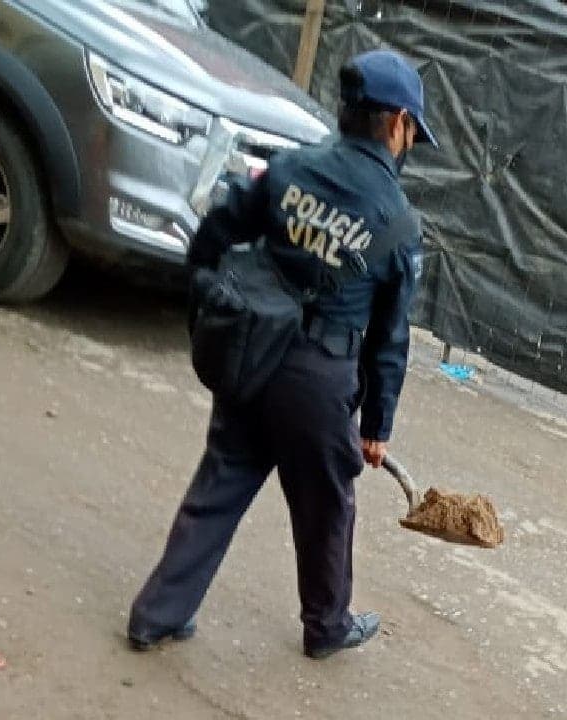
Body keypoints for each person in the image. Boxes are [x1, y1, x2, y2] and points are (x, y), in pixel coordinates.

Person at [127, 49, 437, 659]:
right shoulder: (399, 223)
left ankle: (156, 614)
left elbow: (215, 233)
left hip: (251, 353)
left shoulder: (289, 168)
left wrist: (207, 310)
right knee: (326, 510)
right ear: (399, 123)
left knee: (219, 484)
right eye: (411, 132)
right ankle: (326, 627)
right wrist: (377, 426)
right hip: (319, 383)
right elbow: (389, 338)